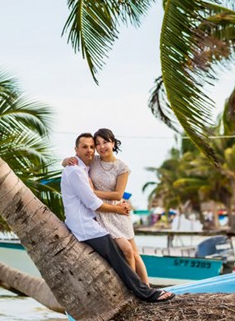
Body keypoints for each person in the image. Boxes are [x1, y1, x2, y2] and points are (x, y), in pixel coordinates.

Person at [61, 133, 173, 302]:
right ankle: (145, 293)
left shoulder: (87, 167)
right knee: (119, 257)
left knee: (129, 253)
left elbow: (113, 194)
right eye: (85, 147)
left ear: (113, 143)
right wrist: (118, 209)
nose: (90, 150)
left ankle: (143, 289)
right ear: (76, 150)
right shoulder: (76, 171)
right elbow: (93, 203)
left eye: (92, 146)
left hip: (98, 220)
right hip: (87, 226)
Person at [63, 128, 150, 284]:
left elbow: (118, 194)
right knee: (127, 250)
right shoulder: (94, 160)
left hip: (118, 211)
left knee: (135, 254)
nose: (101, 147)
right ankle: (134, 286)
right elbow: (78, 160)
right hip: (102, 213)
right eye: (98, 143)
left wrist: (92, 192)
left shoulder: (122, 167)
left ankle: (146, 286)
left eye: (105, 142)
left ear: (113, 143)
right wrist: (65, 160)